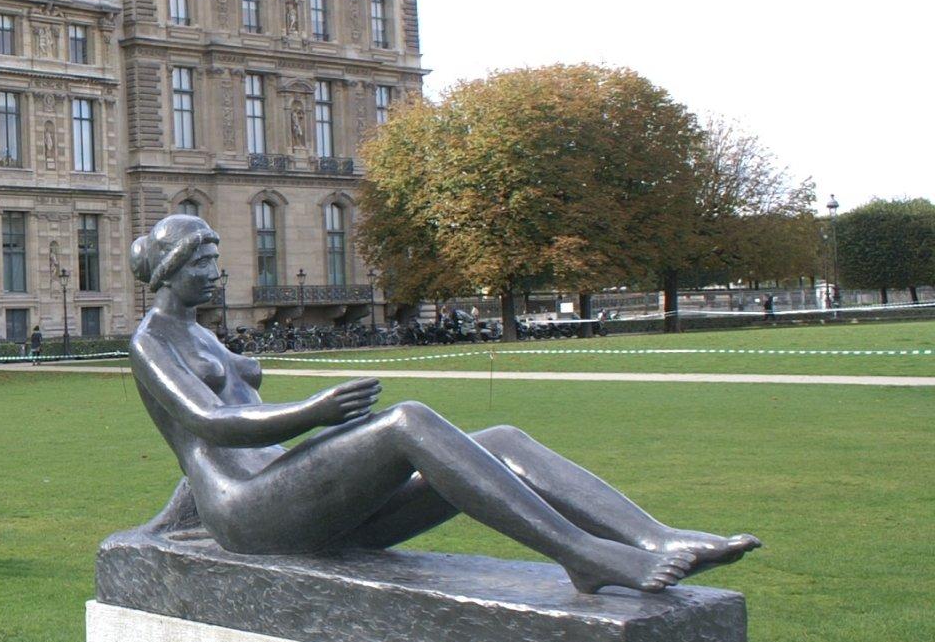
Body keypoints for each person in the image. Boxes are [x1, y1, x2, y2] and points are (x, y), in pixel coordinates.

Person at [126, 215, 758, 594]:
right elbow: (208, 424)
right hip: (250, 516)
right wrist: (315, 412)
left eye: (216, 258)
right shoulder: (150, 341)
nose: (217, 270)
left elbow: (217, 437)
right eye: (203, 261)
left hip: (295, 501)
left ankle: (651, 536)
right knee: (409, 423)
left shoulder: (204, 333)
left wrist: (167, 519)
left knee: (503, 440)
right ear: (171, 268)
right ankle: (584, 556)